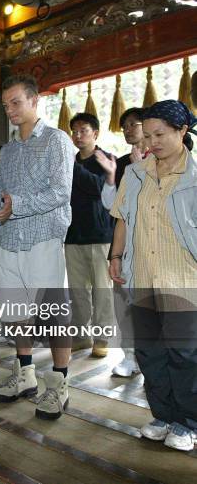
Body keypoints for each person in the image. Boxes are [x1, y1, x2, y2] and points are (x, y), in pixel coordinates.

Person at [0, 74, 74, 420]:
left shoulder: (57, 141)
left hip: (43, 238)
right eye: (6, 104)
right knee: (15, 313)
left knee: (54, 315)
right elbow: (3, 197)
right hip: (8, 239)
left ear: (34, 100)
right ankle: (25, 374)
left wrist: (16, 204)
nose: (9, 110)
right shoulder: (7, 151)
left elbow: (61, 192)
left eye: (16, 102)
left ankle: (59, 385)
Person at [109, 99, 197, 452]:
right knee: (150, 353)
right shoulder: (135, 174)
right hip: (142, 276)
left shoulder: (194, 177)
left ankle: (188, 422)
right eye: (147, 135)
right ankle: (162, 415)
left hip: (184, 279)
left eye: (160, 134)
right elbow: (123, 219)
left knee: (184, 355)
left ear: (182, 131)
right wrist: (116, 256)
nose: (151, 142)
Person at [95, 108, 147, 377]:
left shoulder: (164, 157)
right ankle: (130, 357)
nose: (127, 129)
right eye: (124, 125)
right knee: (124, 304)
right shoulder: (124, 161)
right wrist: (111, 177)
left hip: (153, 246)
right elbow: (111, 205)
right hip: (125, 245)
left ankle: (152, 358)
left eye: (133, 124)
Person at [65, 113, 115, 358]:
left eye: (83, 130)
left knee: (102, 290)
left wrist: (71, 166)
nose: (77, 136)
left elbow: (98, 189)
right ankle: (81, 335)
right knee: (77, 290)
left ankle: (102, 337)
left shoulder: (107, 160)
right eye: (74, 131)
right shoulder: (68, 163)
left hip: (100, 235)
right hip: (72, 236)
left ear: (95, 134)